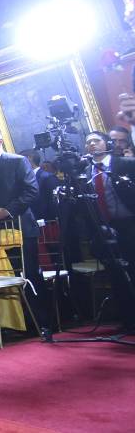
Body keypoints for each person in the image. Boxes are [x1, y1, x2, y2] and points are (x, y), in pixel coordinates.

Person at [0, 127, 48, 334]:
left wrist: (8, 211)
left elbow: (31, 191)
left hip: (20, 227)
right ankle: (11, 325)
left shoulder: (17, 161)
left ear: (0, 140)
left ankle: (39, 324)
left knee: (29, 275)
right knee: (0, 278)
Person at [84, 131, 135, 330]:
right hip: (104, 228)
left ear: (107, 143)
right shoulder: (86, 171)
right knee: (116, 274)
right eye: (88, 142)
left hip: (129, 223)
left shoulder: (125, 164)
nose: (92, 145)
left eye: (96, 141)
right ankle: (128, 319)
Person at [21, 149, 60, 221]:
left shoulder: (47, 177)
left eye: (20, 160)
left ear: (29, 158)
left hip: (49, 222)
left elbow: (53, 202)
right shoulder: (24, 179)